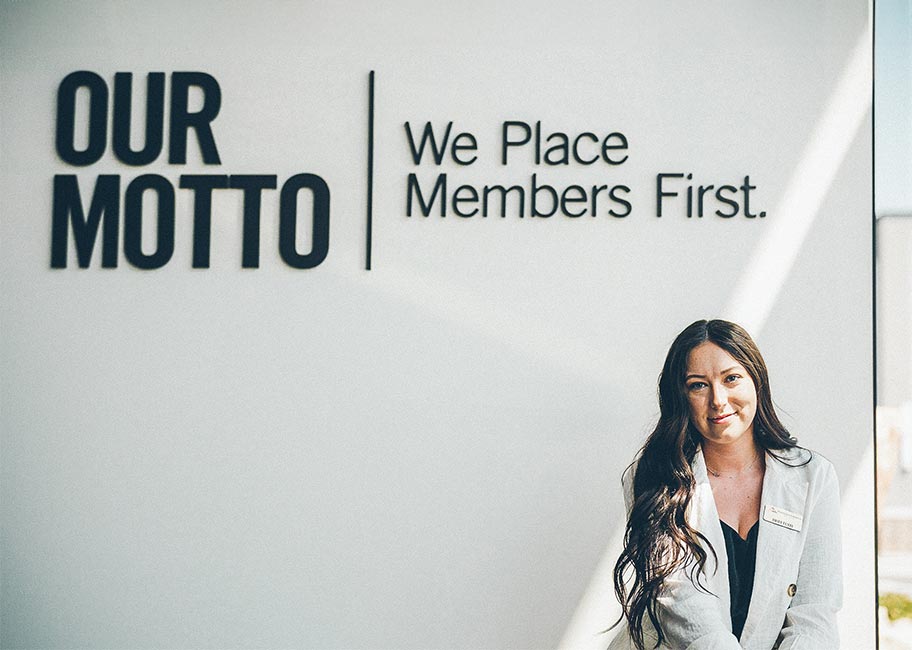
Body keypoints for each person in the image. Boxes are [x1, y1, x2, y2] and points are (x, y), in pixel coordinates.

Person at [608, 319, 842, 650]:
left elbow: (814, 613)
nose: (718, 400)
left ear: (756, 382)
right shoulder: (654, 478)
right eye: (698, 385)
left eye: (731, 378)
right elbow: (686, 609)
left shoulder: (812, 477)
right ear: (681, 397)